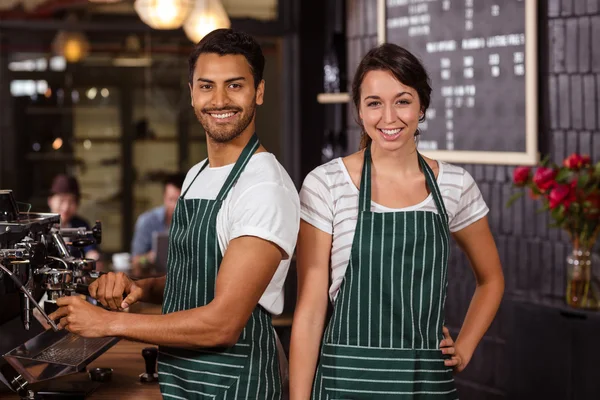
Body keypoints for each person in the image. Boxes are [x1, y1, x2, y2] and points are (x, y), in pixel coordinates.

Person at [48, 29, 300, 399]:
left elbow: (222, 324)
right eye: (206, 86)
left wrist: (108, 323)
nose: (219, 100)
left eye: (234, 85)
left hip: (234, 384)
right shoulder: (197, 175)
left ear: (258, 91)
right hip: (183, 378)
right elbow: (199, 278)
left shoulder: (264, 187)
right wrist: (142, 288)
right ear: (191, 92)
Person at [289, 43, 505, 399]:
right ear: (359, 110)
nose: (389, 118)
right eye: (374, 103)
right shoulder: (326, 183)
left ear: (422, 106)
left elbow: (492, 279)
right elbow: (310, 310)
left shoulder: (454, 185)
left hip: (426, 384)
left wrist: (464, 347)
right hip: (346, 382)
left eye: (402, 101)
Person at [130, 172, 185, 271]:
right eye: (171, 199)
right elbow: (135, 260)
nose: (175, 205)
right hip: (153, 277)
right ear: (164, 197)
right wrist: (148, 258)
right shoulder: (147, 221)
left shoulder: (194, 220)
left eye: (179, 201)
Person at [47, 174, 102, 268]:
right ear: (50, 200)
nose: (66, 207)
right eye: (62, 200)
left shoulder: (81, 225)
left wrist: (94, 258)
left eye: (71, 201)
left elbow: (91, 252)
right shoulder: (40, 226)